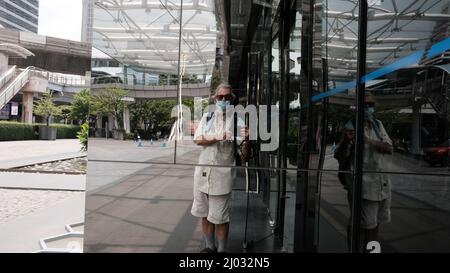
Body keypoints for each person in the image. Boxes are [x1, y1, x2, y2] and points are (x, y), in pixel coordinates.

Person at [191, 83, 247, 253]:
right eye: (220, 97)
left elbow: (244, 155)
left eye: (227, 97)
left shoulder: (238, 121)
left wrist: (248, 140)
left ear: (232, 99)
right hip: (202, 173)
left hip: (222, 176)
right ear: (215, 99)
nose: (223, 100)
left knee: (220, 217)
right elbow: (198, 140)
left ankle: (222, 251)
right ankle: (209, 247)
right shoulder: (207, 117)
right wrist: (218, 136)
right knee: (204, 213)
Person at [338, 92, 393, 252]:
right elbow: (341, 156)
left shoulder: (377, 124)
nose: (369, 108)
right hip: (364, 187)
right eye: (365, 105)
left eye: (371, 105)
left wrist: (368, 140)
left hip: (382, 185)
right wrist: (348, 142)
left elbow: (389, 148)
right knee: (366, 226)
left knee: (375, 224)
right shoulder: (351, 127)